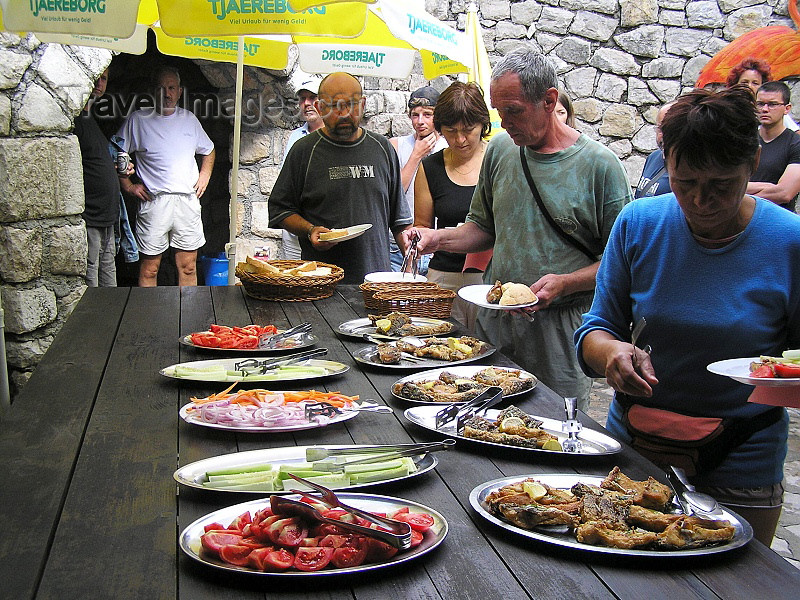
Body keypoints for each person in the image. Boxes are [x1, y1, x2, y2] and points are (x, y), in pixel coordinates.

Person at [575, 86, 800, 545]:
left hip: (743, 456)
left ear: (753, 163)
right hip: (637, 450)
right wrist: (612, 353)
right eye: (685, 182)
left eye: (721, 185)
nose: (700, 201)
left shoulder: (788, 243)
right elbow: (595, 331)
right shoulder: (638, 223)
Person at [403, 47, 631, 410]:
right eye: (499, 111)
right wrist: (435, 238)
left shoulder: (600, 167)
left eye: (514, 111)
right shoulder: (501, 152)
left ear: (549, 100)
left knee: (555, 424)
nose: (504, 123)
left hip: (561, 330)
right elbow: (482, 227)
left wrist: (565, 282)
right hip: (496, 324)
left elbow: (621, 264)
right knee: (482, 420)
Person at [268, 72, 412, 284]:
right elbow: (280, 210)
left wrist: (410, 264)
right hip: (322, 282)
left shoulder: (382, 148)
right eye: (334, 106)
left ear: (362, 105)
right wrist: (310, 230)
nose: (344, 113)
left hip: (376, 282)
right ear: (319, 108)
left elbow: (399, 221)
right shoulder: (304, 151)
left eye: (351, 104)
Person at [116, 65, 216, 286]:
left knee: (188, 267)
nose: (167, 94)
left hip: (186, 201)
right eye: (162, 88)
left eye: (171, 88)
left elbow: (208, 150)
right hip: (154, 202)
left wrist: (205, 175)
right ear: (153, 91)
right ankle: (150, 320)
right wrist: (128, 185)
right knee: (150, 269)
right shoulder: (139, 120)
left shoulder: (189, 119)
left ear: (180, 91)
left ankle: (187, 318)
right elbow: (117, 150)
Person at [413, 82, 491, 331]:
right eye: (450, 131)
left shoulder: (498, 162)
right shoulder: (430, 167)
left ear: (482, 125)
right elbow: (423, 225)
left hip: (489, 278)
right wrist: (416, 239)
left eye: (468, 130)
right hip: (444, 277)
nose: (460, 139)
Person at [388, 86, 448, 273]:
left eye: (427, 115)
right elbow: (393, 194)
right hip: (398, 245)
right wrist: (416, 156)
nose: (420, 121)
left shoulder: (448, 148)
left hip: (435, 246)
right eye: (415, 115)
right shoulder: (397, 145)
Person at [75, 68, 125, 287]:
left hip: (106, 215)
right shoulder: (76, 121)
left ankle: (110, 317)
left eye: (103, 78)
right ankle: (96, 320)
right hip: (92, 214)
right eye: (95, 77)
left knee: (107, 268)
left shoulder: (90, 119)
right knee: (91, 272)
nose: (99, 83)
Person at [281, 74, 323, 260]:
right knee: (291, 280)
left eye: (312, 98)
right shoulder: (295, 137)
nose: (306, 103)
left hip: (322, 232)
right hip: (294, 230)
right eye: (302, 99)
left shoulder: (335, 138)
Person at [746, 81, 800, 211]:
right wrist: (769, 186)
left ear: (787, 108)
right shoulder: (744, 140)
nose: (765, 109)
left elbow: (784, 193)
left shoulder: (795, 144)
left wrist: (739, 197)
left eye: (772, 104)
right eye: (760, 104)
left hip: (777, 220)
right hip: (740, 222)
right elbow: (728, 184)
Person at [726, 57, 800, 133]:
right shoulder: (726, 109)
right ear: (735, 84)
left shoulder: (773, 112)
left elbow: (796, 134)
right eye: (744, 82)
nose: (749, 86)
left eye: (755, 83)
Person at [634, 101, 675, 199]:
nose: (665, 135)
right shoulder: (653, 157)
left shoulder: (687, 168)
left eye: (671, 129)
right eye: (661, 129)